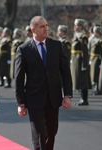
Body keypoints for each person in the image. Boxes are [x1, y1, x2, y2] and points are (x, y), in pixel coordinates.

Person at [15, 16, 72, 150]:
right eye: (42, 26)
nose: (46, 28)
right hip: (34, 98)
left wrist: (67, 95)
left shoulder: (57, 45)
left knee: (51, 132)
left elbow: (65, 71)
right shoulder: (24, 49)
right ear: (33, 29)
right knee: (39, 133)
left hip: (53, 97)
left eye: (46, 25)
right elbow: (18, 78)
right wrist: (20, 103)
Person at [71, 18, 91, 106]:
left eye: (77, 25)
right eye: (75, 25)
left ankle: (84, 99)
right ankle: (82, 98)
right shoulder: (77, 35)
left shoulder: (83, 36)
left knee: (83, 80)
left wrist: (84, 64)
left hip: (80, 60)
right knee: (79, 80)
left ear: (81, 27)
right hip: (76, 60)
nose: (75, 27)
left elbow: (85, 51)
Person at [89, 26, 102, 95]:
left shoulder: (100, 41)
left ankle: (98, 89)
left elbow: (101, 52)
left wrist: (101, 62)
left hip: (97, 59)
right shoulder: (93, 40)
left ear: (99, 33)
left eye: (96, 32)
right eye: (94, 32)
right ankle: (96, 88)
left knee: (97, 75)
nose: (94, 34)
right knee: (94, 74)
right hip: (93, 59)